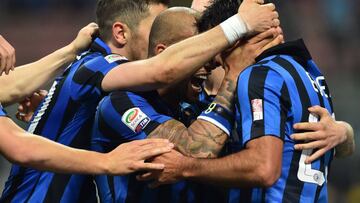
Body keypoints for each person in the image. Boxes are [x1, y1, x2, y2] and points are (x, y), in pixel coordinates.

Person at [2, 0, 280, 202]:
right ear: (122, 33)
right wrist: (239, 24)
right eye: (155, 26)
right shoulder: (99, 65)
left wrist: (324, 123)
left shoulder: (102, 77)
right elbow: (163, 68)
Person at [138, 0, 355, 202]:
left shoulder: (258, 76)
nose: (215, 59)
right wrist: (344, 132)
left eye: (218, 45)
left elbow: (263, 168)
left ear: (235, 38)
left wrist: (185, 167)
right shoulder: (308, 72)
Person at [91, 7, 283, 202]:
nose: (214, 61)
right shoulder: (120, 102)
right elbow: (195, 150)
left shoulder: (192, 106)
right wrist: (234, 73)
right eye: (200, 52)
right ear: (164, 53)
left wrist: (313, 125)